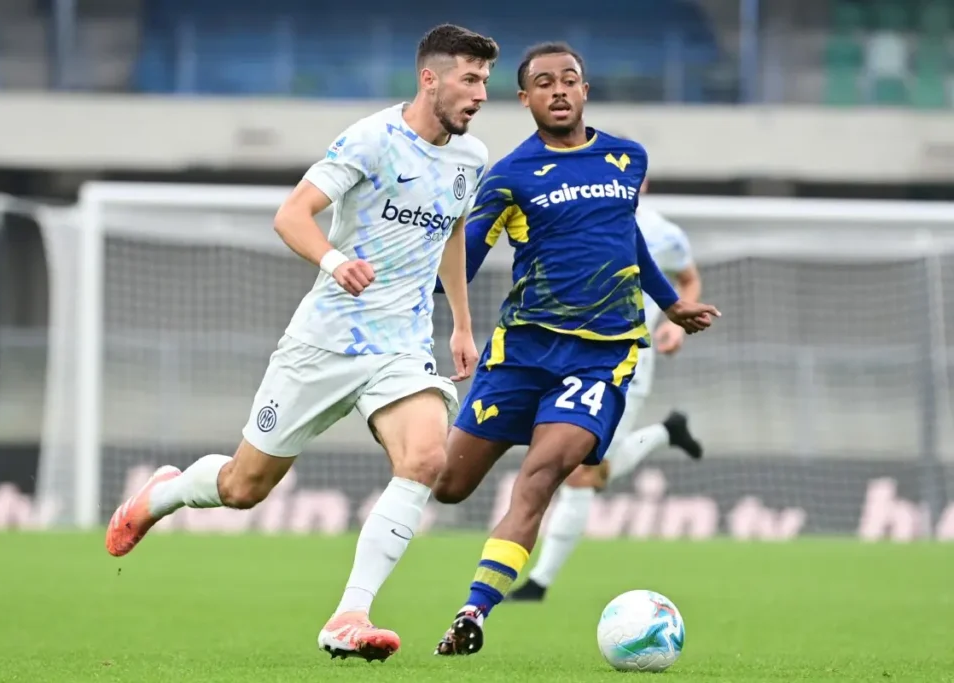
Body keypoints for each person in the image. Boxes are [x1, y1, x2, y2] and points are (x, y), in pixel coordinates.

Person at [103, 24, 498, 663]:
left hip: (400, 346)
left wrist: (460, 322)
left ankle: (350, 614)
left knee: (426, 460)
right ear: (430, 78)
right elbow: (291, 215)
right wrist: (335, 261)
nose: (480, 94)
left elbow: (452, 233)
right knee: (243, 487)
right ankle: (165, 493)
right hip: (323, 342)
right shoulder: (371, 139)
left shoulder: (471, 158)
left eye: (485, 81)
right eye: (470, 79)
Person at [429, 42, 720, 656]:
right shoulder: (508, 176)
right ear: (524, 98)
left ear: (585, 90)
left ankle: (473, 611)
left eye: (569, 79)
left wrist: (670, 304)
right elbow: (463, 262)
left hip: (600, 358)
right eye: (544, 82)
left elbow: (626, 237)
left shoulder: (627, 159)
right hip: (521, 352)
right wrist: (412, 278)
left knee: (539, 479)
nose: (558, 90)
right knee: (448, 485)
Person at [508, 176, 705, 603]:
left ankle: (539, 583)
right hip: (567, 356)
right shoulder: (568, 217)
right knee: (583, 465)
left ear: (642, 182)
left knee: (583, 471)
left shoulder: (664, 233)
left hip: (626, 364)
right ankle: (667, 432)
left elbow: (688, 279)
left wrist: (674, 325)